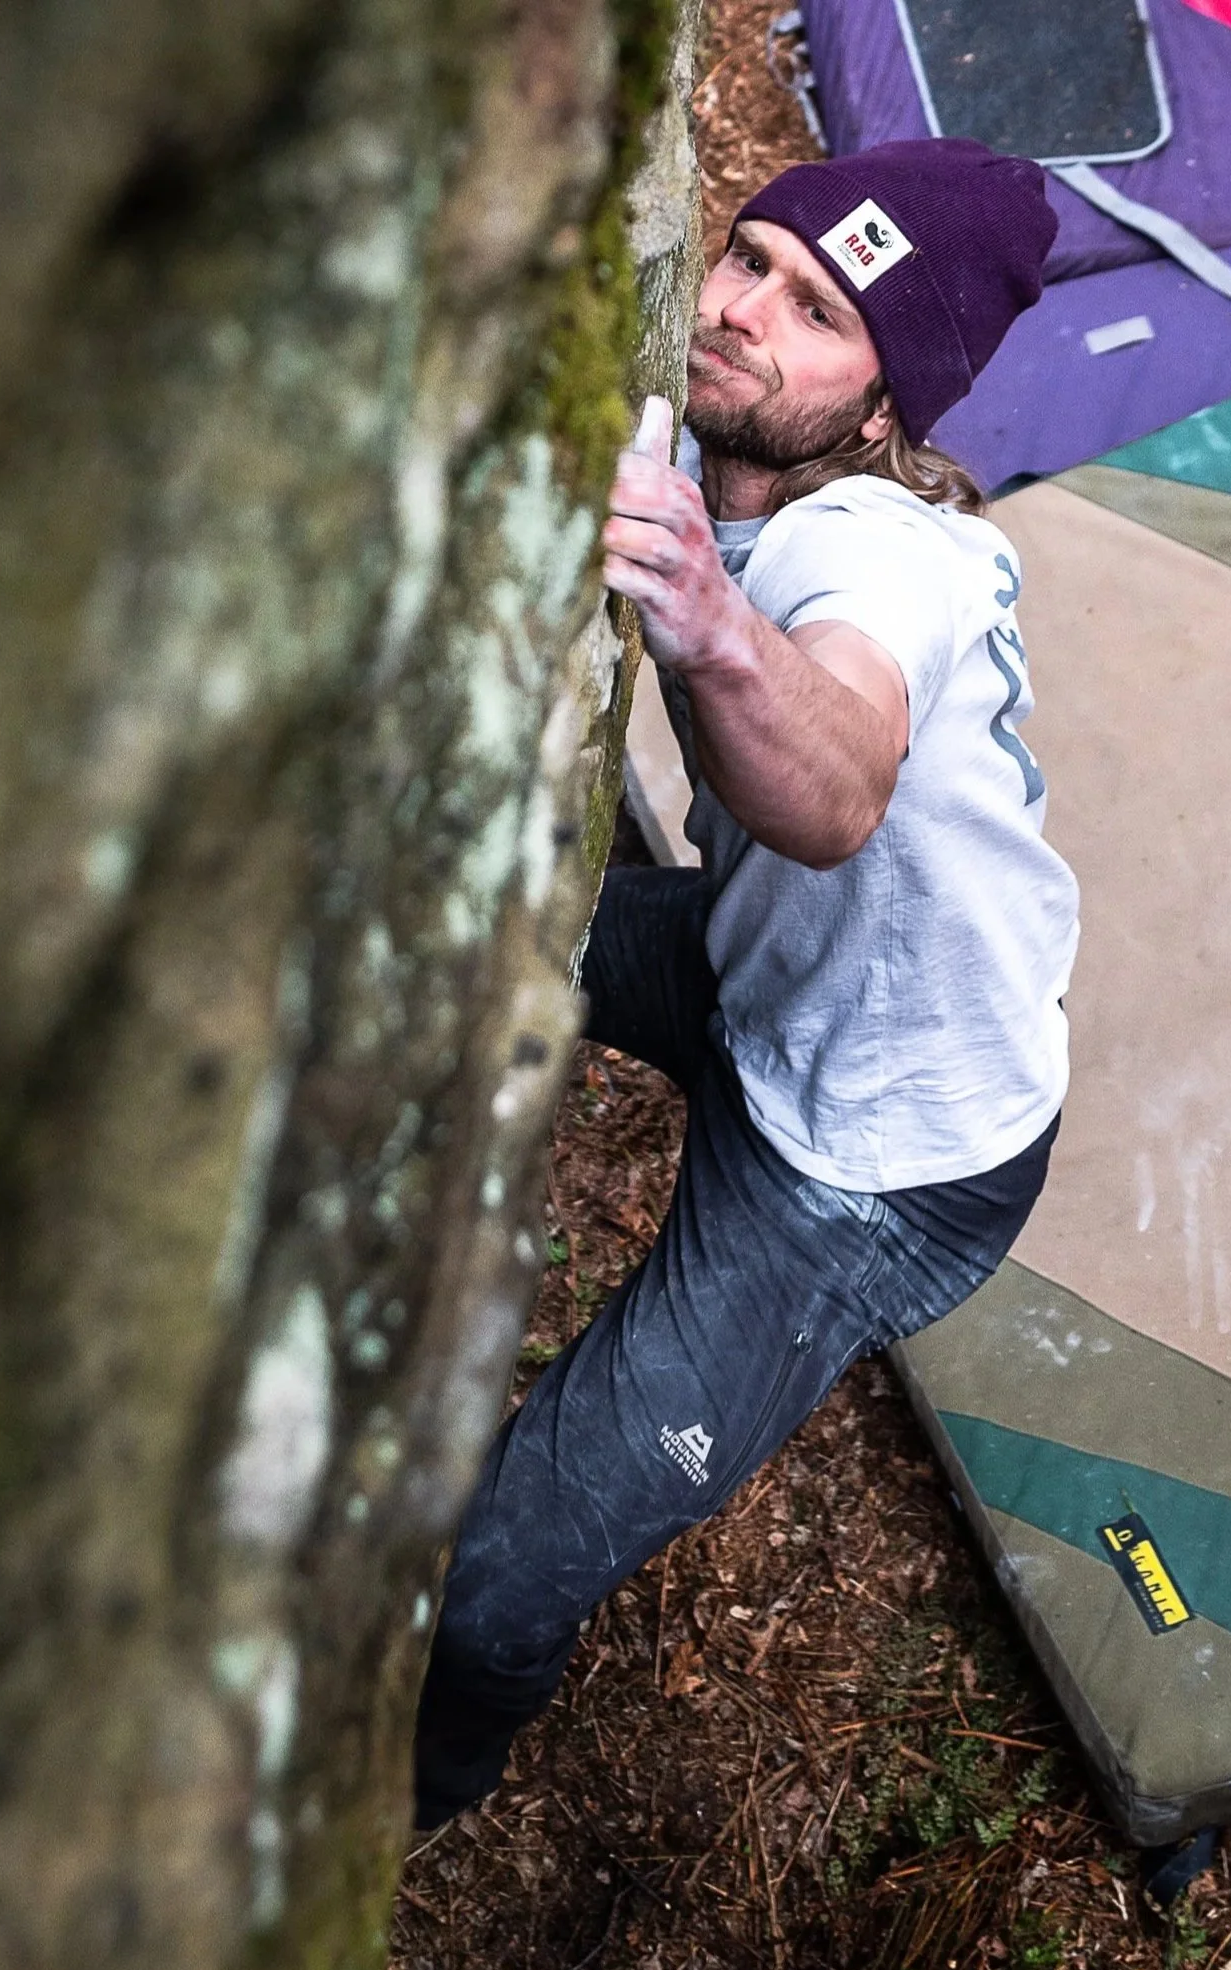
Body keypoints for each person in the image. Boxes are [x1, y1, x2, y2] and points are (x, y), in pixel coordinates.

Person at [413, 139, 1079, 1829]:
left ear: (881, 411)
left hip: (877, 1174)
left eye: (819, 309)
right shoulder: (723, 469)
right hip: (755, 976)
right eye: (750, 259)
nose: (739, 313)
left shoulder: (879, 557)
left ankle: (412, 1796)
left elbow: (838, 783)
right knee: (474, 946)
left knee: (490, 1585)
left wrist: (708, 624)